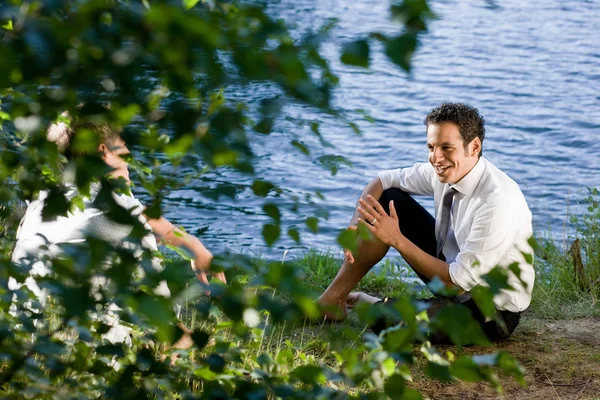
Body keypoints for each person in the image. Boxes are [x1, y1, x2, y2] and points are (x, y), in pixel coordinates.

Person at [317, 102, 534, 344]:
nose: (436, 158)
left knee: (384, 323)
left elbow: (455, 284)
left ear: (474, 147)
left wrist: (396, 239)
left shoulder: (495, 202)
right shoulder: (446, 171)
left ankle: (375, 304)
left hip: (490, 313)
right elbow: (382, 180)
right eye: (431, 147)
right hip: (454, 272)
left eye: (446, 147)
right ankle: (333, 299)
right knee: (389, 198)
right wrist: (357, 221)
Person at [10, 118, 226, 347]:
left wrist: (193, 246)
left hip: (24, 342)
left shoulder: (40, 205)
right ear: (103, 151)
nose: (129, 151)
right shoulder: (119, 215)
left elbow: (142, 218)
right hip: (88, 353)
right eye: (123, 143)